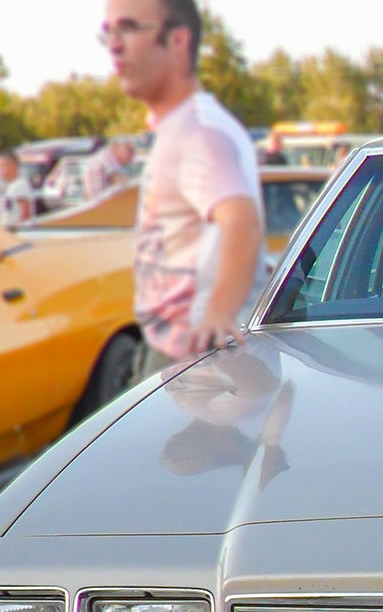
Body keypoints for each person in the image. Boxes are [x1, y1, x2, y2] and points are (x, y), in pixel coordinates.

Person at [103, 0, 265, 380]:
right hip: (184, 355)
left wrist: (220, 312)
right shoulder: (187, 126)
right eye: (109, 32)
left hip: (192, 360)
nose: (114, 45)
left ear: (177, 42)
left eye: (128, 29)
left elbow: (241, 218)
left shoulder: (197, 133)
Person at [0, 151, 38, 227]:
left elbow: (25, 214)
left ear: (13, 166)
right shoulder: (12, 186)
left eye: (2, 167)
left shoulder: (20, 185)